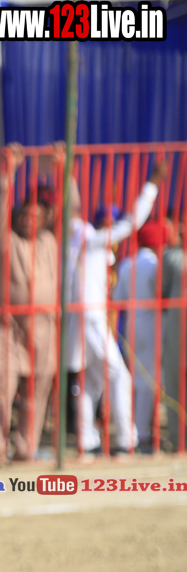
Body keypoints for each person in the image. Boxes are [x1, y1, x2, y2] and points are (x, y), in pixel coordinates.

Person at [65, 160, 163, 454]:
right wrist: (152, 186)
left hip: (84, 319)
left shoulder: (84, 244)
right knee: (119, 376)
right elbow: (131, 223)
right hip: (91, 318)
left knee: (90, 381)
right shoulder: (90, 241)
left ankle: (87, 440)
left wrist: (67, 173)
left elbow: (73, 210)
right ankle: (125, 440)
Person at [0, 144, 58, 467]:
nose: (30, 221)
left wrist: (62, 171)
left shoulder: (49, 242)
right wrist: (8, 176)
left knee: (38, 390)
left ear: (44, 221)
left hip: (43, 327)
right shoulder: (7, 243)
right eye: (24, 217)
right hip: (9, 326)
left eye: (36, 217)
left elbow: (69, 214)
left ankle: (26, 448)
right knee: (3, 387)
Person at [114, 217, 177, 451]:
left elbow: (117, 299)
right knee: (149, 382)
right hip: (154, 327)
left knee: (135, 379)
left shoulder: (126, 264)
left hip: (131, 326)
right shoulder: (155, 265)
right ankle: (141, 434)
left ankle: (138, 430)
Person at [159, 216, 186, 451]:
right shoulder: (172, 257)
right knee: (174, 378)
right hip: (177, 328)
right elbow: (162, 292)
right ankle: (178, 437)